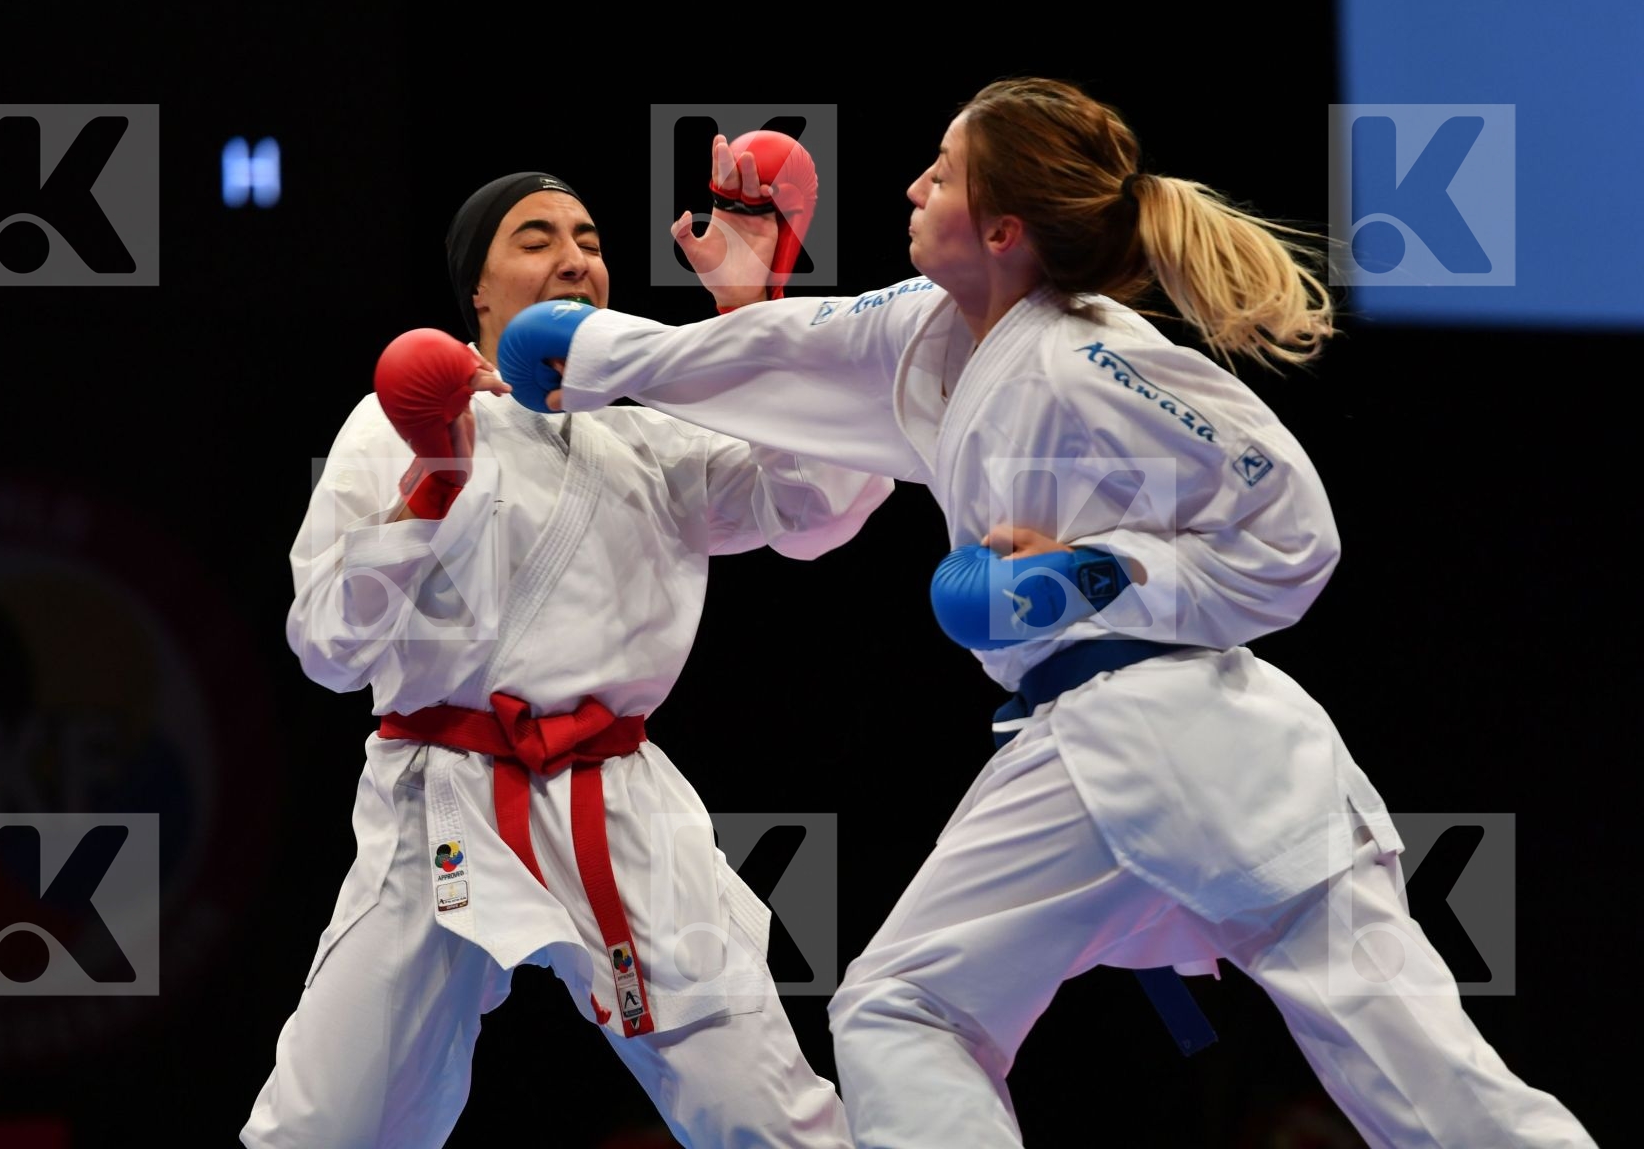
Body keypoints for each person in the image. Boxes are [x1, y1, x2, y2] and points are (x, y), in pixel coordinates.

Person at [496, 78, 1598, 1148]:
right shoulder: (934, 329)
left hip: (1152, 726)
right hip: (1180, 754)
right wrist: (595, 354)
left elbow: (1295, 532)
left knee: (903, 1010)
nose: (914, 188)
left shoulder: (1094, 356)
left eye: (943, 172)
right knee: (1433, 1084)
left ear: (1007, 227)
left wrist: (1094, 573)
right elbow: (787, 348)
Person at [241, 154, 880, 1148]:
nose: (575, 259)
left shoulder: (650, 436)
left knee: (759, 1111)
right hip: (439, 799)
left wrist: (755, 319)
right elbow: (327, 645)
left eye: (589, 242)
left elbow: (815, 508)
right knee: (328, 1125)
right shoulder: (398, 420)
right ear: (479, 291)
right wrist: (433, 486)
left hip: (615, 797)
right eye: (536, 240)